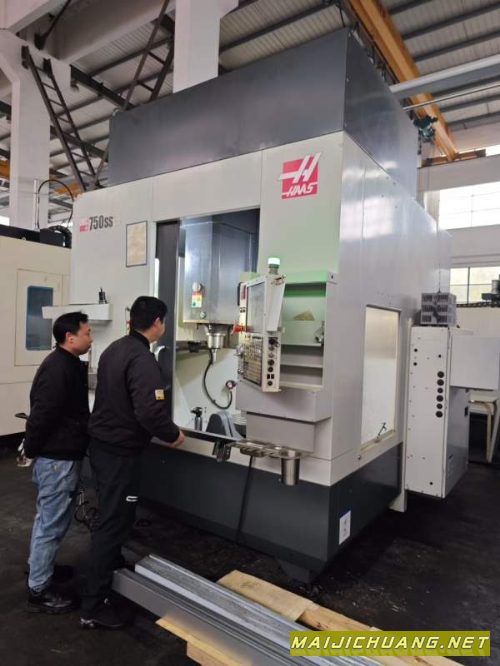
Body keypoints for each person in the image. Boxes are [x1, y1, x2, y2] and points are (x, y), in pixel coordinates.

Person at [80, 296, 184, 629]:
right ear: (157, 322)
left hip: (102, 447)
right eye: (164, 321)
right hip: (120, 453)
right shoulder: (142, 360)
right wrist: (173, 435)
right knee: (114, 522)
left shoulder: (114, 349)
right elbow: (149, 411)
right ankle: (93, 606)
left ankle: (110, 567)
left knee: (112, 513)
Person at [25, 312, 93, 613]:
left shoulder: (66, 363)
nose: (91, 338)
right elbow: (43, 414)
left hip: (58, 455)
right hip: (57, 460)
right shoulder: (58, 368)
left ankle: (39, 568)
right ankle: (39, 588)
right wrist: (31, 448)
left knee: (47, 520)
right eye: (87, 333)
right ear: (70, 337)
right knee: (51, 525)